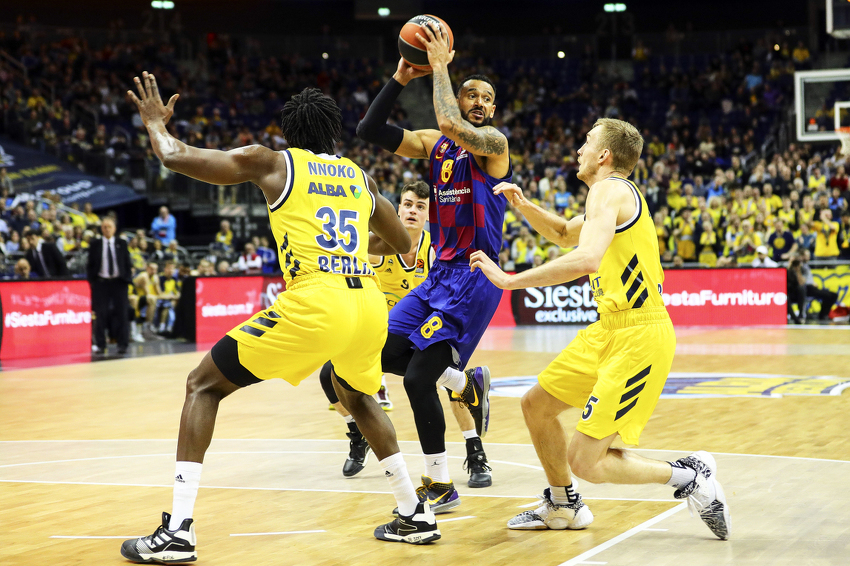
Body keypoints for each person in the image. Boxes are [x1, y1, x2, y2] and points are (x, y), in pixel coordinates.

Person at [121, 72, 437, 564]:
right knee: (358, 396)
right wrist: (352, 243)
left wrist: (155, 124)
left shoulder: (270, 162)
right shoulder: (360, 178)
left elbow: (174, 156)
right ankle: (414, 513)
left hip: (318, 298)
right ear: (333, 133)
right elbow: (406, 247)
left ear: (289, 134)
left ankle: (178, 531)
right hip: (369, 301)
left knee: (203, 384)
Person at [468, 118, 730, 540]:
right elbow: (561, 233)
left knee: (587, 460)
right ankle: (562, 504)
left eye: (587, 142)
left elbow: (587, 258)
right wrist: (523, 205)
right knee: (536, 405)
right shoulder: (603, 198)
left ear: (604, 155)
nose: (579, 149)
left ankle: (687, 475)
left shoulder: (611, 190)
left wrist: (511, 280)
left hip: (640, 335)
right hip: (608, 328)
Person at [356, 21, 511, 513]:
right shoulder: (435, 144)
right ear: (460, 100)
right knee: (373, 354)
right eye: (471, 95)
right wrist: (401, 76)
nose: (479, 101)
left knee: (418, 378)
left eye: (487, 97)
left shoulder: (494, 147)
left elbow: (450, 125)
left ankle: (440, 484)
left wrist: (441, 68)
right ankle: (466, 384)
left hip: (474, 276)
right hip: (436, 277)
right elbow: (369, 131)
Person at [318, 181, 493, 488]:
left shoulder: (438, 249)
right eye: (408, 204)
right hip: (390, 329)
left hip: (434, 324)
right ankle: (358, 434)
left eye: (420, 207)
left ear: (429, 215)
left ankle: (475, 450)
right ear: (397, 208)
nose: (413, 211)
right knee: (330, 373)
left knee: (440, 377)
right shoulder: (374, 249)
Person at [86, 217, 133, 354]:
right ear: (102, 229)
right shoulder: (95, 244)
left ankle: (123, 344)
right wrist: (92, 281)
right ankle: (101, 345)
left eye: (109, 227)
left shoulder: (121, 243)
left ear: (114, 228)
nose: (107, 229)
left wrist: (127, 278)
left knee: (122, 314)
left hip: (119, 283)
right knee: (101, 315)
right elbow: (90, 265)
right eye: (104, 227)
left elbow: (127, 263)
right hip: (102, 283)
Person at [800, 249, 838, 320]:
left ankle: (824, 314)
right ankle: (822, 315)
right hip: (807, 288)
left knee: (833, 295)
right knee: (828, 296)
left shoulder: (806, 266)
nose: (809, 257)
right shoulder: (800, 266)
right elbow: (801, 280)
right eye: (806, 256)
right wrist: (810, 283)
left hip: (812, 287)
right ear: (802, 256)